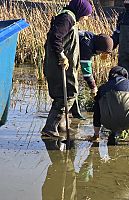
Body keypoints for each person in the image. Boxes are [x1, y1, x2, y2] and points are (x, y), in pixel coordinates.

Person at [41, 0, 92, 137]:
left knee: (65, 94)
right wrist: (61, 55)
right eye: (86, 14)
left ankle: (62, 126)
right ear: (80, 10)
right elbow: (55, 37)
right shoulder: (67, 18)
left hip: (62, 66)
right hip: (59, 66)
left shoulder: (69, 17)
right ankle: (50, 128)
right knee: (67, 95)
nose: (86, 18)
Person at [70, 31, 114, 120]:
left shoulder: (92, 40)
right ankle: (68, 114)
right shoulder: (87, 44)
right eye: (101, 52)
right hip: (60, 58)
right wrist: (93, 87)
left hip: (68, 58)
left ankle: (74, 113)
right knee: (70, 87)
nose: (99, 54)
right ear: (99, 47)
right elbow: (86, 70)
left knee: (72, 87)